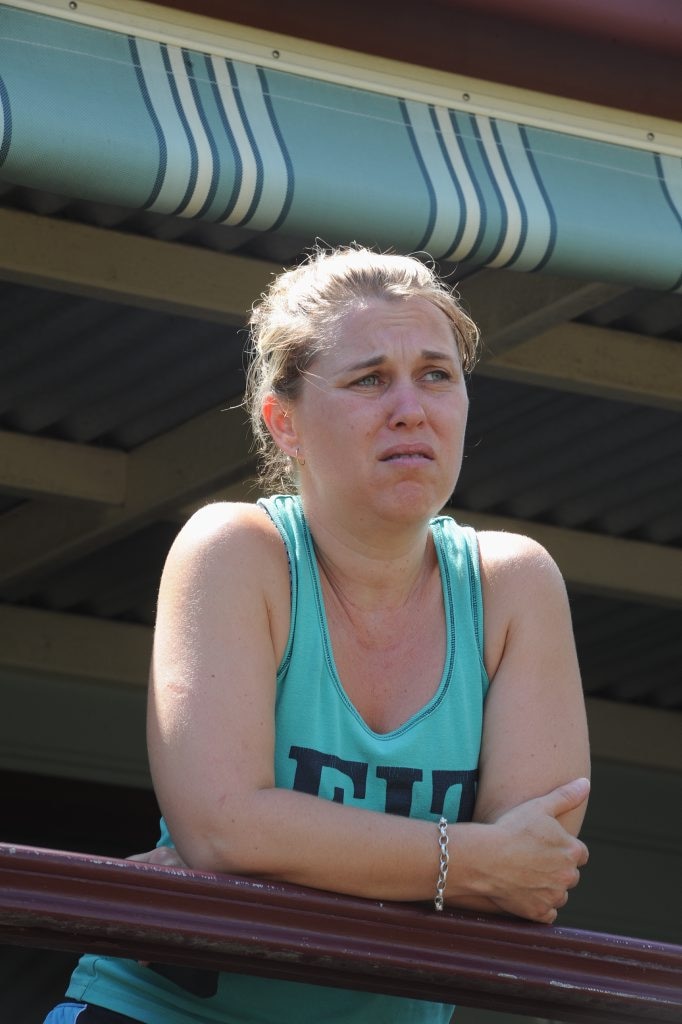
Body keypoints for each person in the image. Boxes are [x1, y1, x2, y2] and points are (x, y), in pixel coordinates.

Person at [45, 246, 590, 1024]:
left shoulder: (515, 585)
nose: (411, 407)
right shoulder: (235, 550)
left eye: (437, 374)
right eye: (369, 379)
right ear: (283, 422)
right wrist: (462, 860)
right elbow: (223, 825)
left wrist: (262, 855)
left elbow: (524, 885)